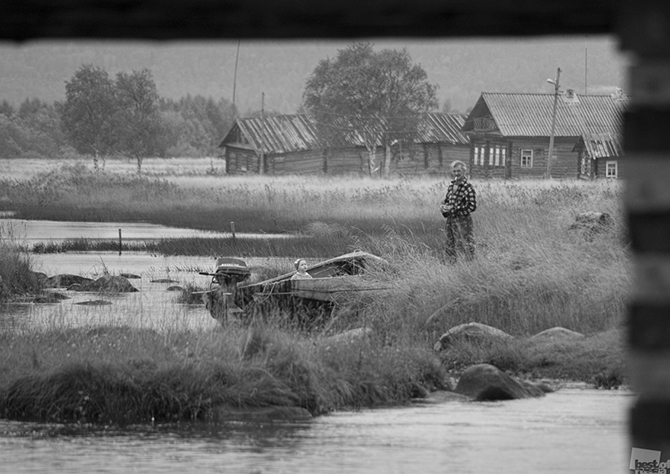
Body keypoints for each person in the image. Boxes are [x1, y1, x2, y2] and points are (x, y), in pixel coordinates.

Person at [440, 160, 477, 262]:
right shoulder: (451, 186)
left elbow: (472, 206)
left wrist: (454, 208)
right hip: (450, 220)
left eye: (459, 171)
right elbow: (447, 201)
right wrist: (444, 208)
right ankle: (452, 266)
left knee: (465, 244)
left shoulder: (467, 187)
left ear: (464, 171)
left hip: (463, 221)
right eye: (454, 171)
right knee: (449, 243)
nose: (456, 173)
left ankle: (469, 265)